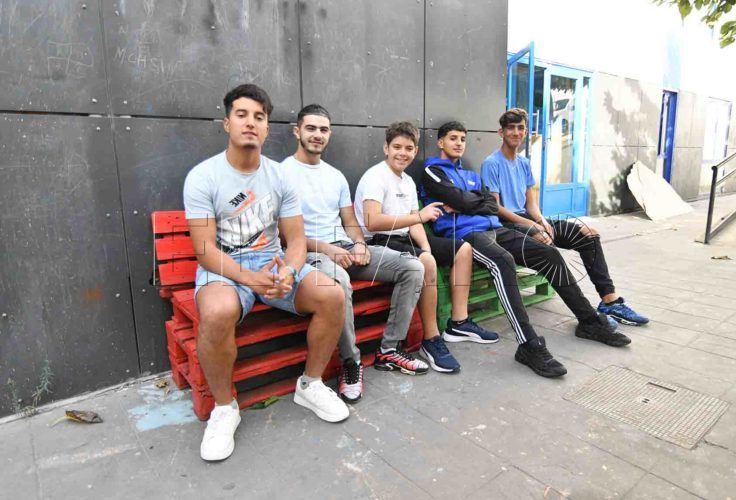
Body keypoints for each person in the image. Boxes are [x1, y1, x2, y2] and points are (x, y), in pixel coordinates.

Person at [183, 84, 348, 462]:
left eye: (259, 117)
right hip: (224, 267)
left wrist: (290, 269)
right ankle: (224, 408)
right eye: (241, 115)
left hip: (272, 263)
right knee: (217, 312)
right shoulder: (204, 176)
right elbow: (205, 250)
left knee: (332, 294)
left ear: (267, 127)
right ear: (227, 123)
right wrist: (247, 277)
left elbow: (296, 239)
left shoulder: (280, 176)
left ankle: (310, 384)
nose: (250, 123)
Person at [421, 121, 632, 378]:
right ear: (441, 142)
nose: (458, 143)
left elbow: (490, 205)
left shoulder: (471, 174)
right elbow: (462, 199)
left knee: (549, 254)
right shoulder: (432, 170)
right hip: (465, 235)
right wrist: (470, 200)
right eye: (453, 138)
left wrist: (468, 201)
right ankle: (528, 345)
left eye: (462, 139)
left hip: (494, 228)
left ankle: (588, 321)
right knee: (503, 261)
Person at [281, 104, 426, 400]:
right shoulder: (281, 174)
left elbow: (349, 221)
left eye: (323, 129)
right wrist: (328, 249)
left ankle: (389, 350)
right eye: (311, 128)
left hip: (345, 247)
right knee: (340, 282)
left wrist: (359, 243)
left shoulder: (334, 175)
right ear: (297, 131)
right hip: (311, 253)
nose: (317, 135)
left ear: (329, 134)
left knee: (413, 267)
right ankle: (351, 362)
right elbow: (286, 236)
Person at [354, 121, 500, 376]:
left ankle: (459, 322)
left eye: (409, 148)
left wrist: (425, 246)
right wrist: (419, 222)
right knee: (427, 262)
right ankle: (431, 339)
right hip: (379, 241)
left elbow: (415, 223)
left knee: (462, 249)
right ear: (386, 148)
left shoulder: (407, 181)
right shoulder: (375, 177)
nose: (403, 153)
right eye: (397, 147)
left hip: (404, 237)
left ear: (415, 150)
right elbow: (372, 221)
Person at [480, 108, 648, 326]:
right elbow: (496, 208)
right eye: (510, 128)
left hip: (527, 218)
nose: (516, 132)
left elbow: (530, 203)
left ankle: (610, 300)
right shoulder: (491, 163)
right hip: (507, 224)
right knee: (545, 243)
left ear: (526, 132)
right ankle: (586, 315)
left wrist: (541, 220)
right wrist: (532, 225)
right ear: (501, 132)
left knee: (588, 235)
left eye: (520, 128)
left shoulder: (524, 163)